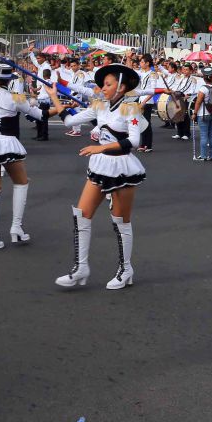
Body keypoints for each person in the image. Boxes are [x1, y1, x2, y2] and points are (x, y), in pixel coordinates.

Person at [55, 64, 146, 291]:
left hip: (122, 166)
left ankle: (126, 269)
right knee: (81, 215)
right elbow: (69, 121)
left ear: (122, 86)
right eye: (102, 84)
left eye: (108, 84)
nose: (102, 88)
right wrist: (54, 99)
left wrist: (101, 148)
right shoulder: (100, 105)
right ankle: (81, 267)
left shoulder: (130, 108)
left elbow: (134, 141)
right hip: (101, 165)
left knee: (120, 221)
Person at [0, 61, 58, 249]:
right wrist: (60, 107)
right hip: (7, 144)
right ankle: (16, 228)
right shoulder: (16, 98)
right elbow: (40, 115)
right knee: (21, 183)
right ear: (10, 80)